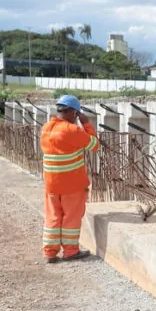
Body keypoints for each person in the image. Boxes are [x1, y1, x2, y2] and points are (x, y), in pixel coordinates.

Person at [40, 95, 99, 263]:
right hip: (71, 184)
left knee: (53, 216)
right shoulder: (71, 130)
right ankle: (70, 251)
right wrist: (86, 123)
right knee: (71, 218)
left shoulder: (46, 128)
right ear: (73, 112)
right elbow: (94, 145)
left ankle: (50, 252)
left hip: (51, 184)